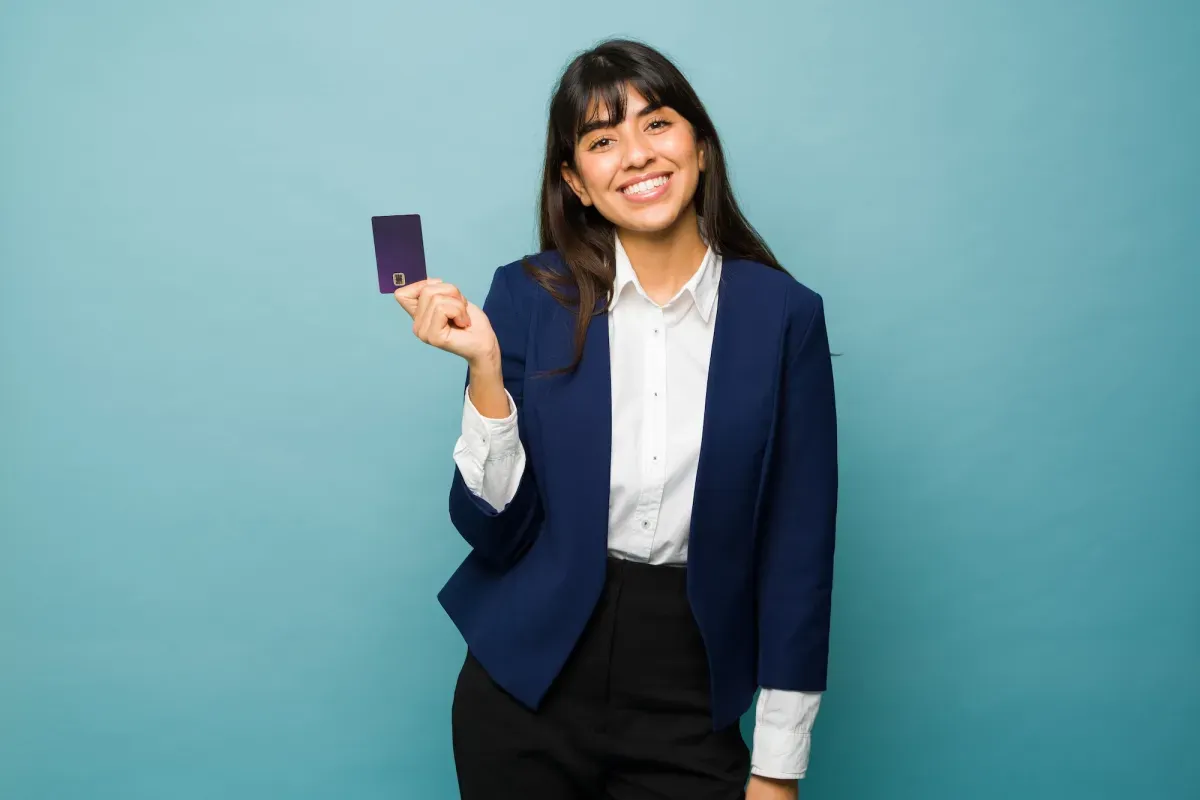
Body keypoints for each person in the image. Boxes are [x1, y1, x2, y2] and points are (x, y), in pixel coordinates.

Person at [395, 38, 837, 800]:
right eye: (602, 141)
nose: (636, 155)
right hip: (527, 683)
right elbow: (492, 530)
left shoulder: (784, 316)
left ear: (698, 144)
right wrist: (487, 374)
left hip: (690, 687)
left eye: (656, 124)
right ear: (576, 181)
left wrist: (776, 766)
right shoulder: (530, 296)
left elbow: (800, 547)